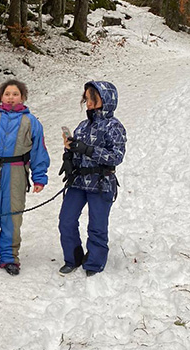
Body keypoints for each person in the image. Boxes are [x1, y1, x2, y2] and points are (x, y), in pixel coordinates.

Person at [0, 80, 50, 276]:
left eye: (15, 94)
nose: (11, 97)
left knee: (12, 215)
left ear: (22, 97)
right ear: (1, 96)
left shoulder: (31, 122)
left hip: (16, 173)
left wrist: (39, 177)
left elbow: (39, 151)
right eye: (7, 94)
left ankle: (9, 256)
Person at [58, 81, 126, 276]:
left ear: (104, 99)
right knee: (66, 220)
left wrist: (88, 150)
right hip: (78, 182)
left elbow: (116, 156)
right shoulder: (83, 125)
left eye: (91, 98)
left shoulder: (115, 127)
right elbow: (74, 148)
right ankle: (73, 257)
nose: (87, 102)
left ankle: (94, 262)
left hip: (101, 183)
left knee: (97, 225)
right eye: (86, 98)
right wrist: (69, 156)